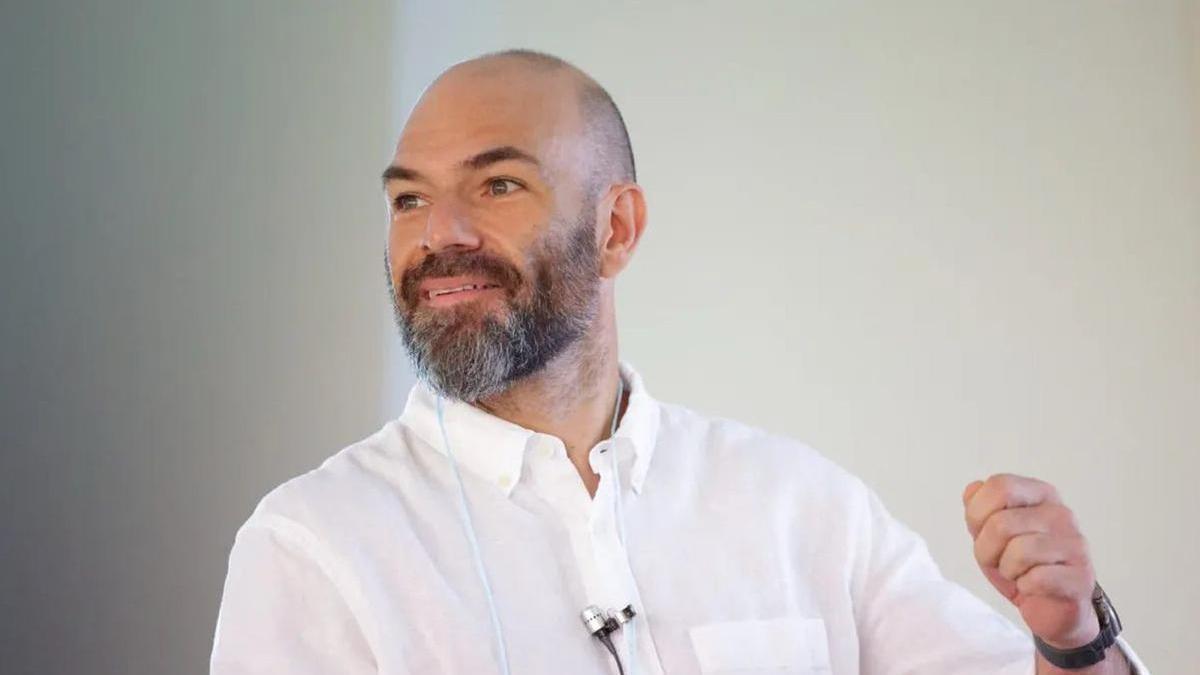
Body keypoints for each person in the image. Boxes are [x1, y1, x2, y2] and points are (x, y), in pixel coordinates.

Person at [210, 50, 1148, 674]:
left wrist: (1071, 637)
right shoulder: (314, 547)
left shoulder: (804, 510)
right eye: (409, 199)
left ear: (617, 228)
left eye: (496, 184)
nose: (438, 234)